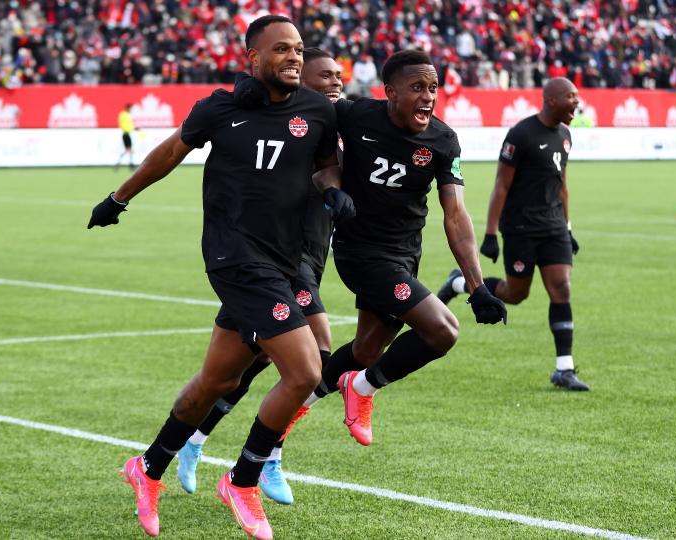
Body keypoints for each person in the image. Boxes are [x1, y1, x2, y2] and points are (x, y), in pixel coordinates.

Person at [87, 16, 350, 540]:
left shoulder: (318, 111)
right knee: (304, 370)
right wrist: (120, 198)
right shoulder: (219, 108)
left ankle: (149, 466)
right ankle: (245, 478)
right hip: (235, 259)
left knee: (218, 381)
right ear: (251, 58)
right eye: (281, 50)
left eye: (298, 49)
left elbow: (325, 166)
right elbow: (169, 153)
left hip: (282, 259)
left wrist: (331, 189)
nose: (294, 58)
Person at [302, 49, 507, 447]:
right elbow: (309, 107)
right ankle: (362, 389)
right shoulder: (356, 114)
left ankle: (286, 418)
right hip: (360, 251)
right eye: (417, 87)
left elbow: (455, 214)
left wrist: (478, 285)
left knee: (365, 349)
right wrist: (331, 189)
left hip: (404, 254)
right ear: (390, 93)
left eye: (433, 88)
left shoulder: (444, 140)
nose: (429, 96)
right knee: (443, 330)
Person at [174, 46, 344, 507]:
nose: (336, 82)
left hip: (304, 254)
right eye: (325, 75)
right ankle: (266, 458)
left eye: (339, 75)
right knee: (316, 355)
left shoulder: (331, 121)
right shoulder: (286, 119)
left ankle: (193, 440)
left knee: (246, 365)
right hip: (277, 260)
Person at [438, 77, 590, 391]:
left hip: (554, 227)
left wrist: (569, 227)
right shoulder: (521, 135)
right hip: (521, 227)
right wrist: (491, 233)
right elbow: (501, 186)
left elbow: (562, 185)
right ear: (551, 100)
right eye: (571, 97)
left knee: (561, 288)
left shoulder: (565, 135)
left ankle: (564, 368)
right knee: (516, 293)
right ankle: (459, 282)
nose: (577, 102)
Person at [115, 103, 140, 171]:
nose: (131, 110)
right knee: (129, 150)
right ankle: (130, 165)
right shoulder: (125, 115)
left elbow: (128, 125)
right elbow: (126, 126)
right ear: (127, 108)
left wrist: (133, 128)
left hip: (126, 134)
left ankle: (120, 164)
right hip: (126, 134)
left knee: (128, 150)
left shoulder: (125, 115)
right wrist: (134, 128)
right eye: (130, 108)